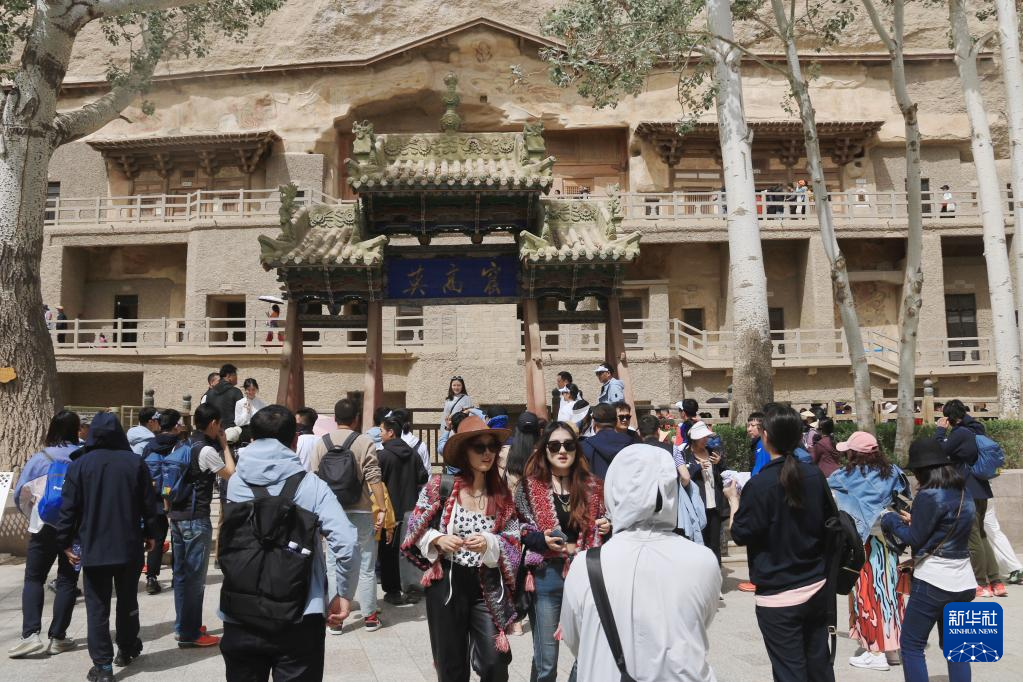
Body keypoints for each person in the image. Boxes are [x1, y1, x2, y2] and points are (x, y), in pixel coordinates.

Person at [220, 405, 359, 681]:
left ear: (253, 439)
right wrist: (343, 593)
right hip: (301, 612)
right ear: (294, 440)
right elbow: (346, 541)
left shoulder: (235, 483)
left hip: (241, 609)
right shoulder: (313, 486)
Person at [560, 444, 720, 682]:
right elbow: (700, 622)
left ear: (613, 490)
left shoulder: (586, 564)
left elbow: (574, 638)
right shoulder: (703, 560)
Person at [402, 414, 520, 682]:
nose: (488, 453)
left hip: (486, 585)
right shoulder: (440, 486)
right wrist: (437, 539)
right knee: (451, 666)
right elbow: (413, 529)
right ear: (465, 452)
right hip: (447, 582)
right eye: (479, 447)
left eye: (492, 446)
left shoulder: (502, 494)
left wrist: (490, 542)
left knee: (495, 663)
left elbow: (514, 540)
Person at [54, 412, 161, 682]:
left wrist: (64, 542)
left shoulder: (80, 464)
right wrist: (152, 534)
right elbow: (149, 504)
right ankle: (127, 646)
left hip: (94, 546)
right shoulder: (134, 463)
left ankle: (102, 666)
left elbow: (68, 508)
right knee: (127, 600)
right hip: (129, 545)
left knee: (97, 607)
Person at [730, 404, 835, 682]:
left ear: (765, 436)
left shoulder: (760, 485)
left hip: (778, 595)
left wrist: (733, 501)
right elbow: (830, 522)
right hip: (815, 584)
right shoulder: (813, 475)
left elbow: (740, 534)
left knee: (790, 672)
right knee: (819, 668)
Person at [515, 421, 610, 682]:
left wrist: (607, 525)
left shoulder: (594, 486)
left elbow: (610, 521)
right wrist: (540, 539)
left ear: (576, 449)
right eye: (554, 445)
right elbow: (517, 528)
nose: (562, 451)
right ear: (544, 450)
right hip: (547, 575)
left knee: (588, 652)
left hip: (586, 574)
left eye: (568, 445)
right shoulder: (528, 487)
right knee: (546, 661)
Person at [881, 439, 976, 682]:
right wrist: (916, 520)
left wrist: (891, 520)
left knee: (911, 645)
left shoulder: (928, 495)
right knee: (957, 649)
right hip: (964, 581)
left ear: (922, 470)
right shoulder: (964, 492)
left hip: (934, 581)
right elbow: (945, 527)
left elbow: (914, 538)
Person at [828, 431, 908, 671]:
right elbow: (903, 498)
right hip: (889, 544)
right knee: (889, 594)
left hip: (862, 546)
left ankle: (875, 653)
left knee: (867, 595)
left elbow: (826, 493)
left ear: (854, 453)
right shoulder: (893, 472)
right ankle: (891, 648)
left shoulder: (845, 476)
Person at [308, 398, 387, 633]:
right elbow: (374, 476)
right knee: (366, 564)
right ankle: (370, 616)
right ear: (356, 419)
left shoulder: (321, 443)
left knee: (334, 564)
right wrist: (381, 507)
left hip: (332, 511)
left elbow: (314, 479)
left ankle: (336, 619)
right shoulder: (364, 442)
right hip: (361, 509)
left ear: (335, 419)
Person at [8, 411, 82, 659]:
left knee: (34, 578)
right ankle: (58, 637)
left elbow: (21, 494)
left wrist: (33, 516)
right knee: (67, 581)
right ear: (77, 430)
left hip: (43, 527)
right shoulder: (83, 457)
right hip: (75, 529)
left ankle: (30, 635)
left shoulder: (41, 458)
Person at [172, 404, 234, 648]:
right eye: (219, 424)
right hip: (196, 518)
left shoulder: (184, 444)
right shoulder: (206, 450)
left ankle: (183, 626)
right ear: (213, 423)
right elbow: (231, 474)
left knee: (181, 576)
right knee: (195, 579)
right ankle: (191, 634)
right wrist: (226, 446)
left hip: (177, 517)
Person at [935, 399, 1005, 597]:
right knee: (981, 535)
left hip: (967, 491)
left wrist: (940, 431)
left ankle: (980, 583)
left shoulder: (960, 434)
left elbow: (940, 451)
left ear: (950, 418)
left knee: (973, 537)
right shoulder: (975, 429)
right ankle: (996, 582)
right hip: (980, 489)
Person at [378, 417, 429, 606]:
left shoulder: (382, 456)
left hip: (389, 513)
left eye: (381, 430)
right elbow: (423, 477)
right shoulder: (413, 454)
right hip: (410, 511)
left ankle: (392, 591)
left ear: (391, 432)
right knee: (409, 552)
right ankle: (412, 587)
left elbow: (375, 482)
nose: (380, 434)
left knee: (388, 553)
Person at [139, 409, 186, 595]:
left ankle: (151, 578)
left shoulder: (149, 445)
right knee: (178, 539)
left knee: (156, 539)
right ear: (176, 426)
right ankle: (177, 576)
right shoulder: (182, 445)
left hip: (154, 499)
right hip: (177, 498)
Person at [680, 421, 727, 564]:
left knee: (715, 544)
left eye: (706, 437)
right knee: (699, 543)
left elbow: (725, 475)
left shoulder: (713, 452)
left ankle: (716, 572)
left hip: (714, 505)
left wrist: (720, 463)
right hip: (697, 506)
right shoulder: (685, 455)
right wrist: (696, 467)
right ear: (694, 439)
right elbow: (683, 479)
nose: (705, 440)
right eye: (702, 437)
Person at [578, 403, 634, 480]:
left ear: (594, 422)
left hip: (598, 487)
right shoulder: (632, 443)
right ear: (615, 421)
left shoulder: (584, 446)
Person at [497, 410, 541, 493]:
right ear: (538, 432)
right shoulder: (544, 456)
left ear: (516, 430)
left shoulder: (503, 453)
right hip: (537, 499)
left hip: (511, 499)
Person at [984, 502, 1023, 584]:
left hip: (975, 499)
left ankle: (1015, 568)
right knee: (993, 532)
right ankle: (1015, 568)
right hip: (985, 498)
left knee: (990, 533)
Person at [205, 363, 243, 429]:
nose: (237, 377)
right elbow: (242, 413)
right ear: (228, 376)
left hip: (214, 430)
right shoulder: (236, 392)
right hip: (231, 431)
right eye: (235, 375)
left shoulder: (210, 393)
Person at [440, 375, 474, 441]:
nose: (456, 387)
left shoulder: (466, 398)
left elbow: (470, 414)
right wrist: (443, 430)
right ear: (451, 386)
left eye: (458, 385)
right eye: (454, 385)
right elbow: (445, 415)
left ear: (462, 386)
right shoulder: (448, 399)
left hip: (459, 428)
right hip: (449, 427)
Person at [234, 377, 266, 444]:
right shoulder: (239, 403)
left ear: (256, 389)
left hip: (257, 434)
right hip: (244, 433)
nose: (251, 392)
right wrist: (246, 412)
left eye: (253, 389)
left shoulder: (261, 404)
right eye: (248, 390)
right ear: (245, 390)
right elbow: (238, 423)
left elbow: (263, 422)